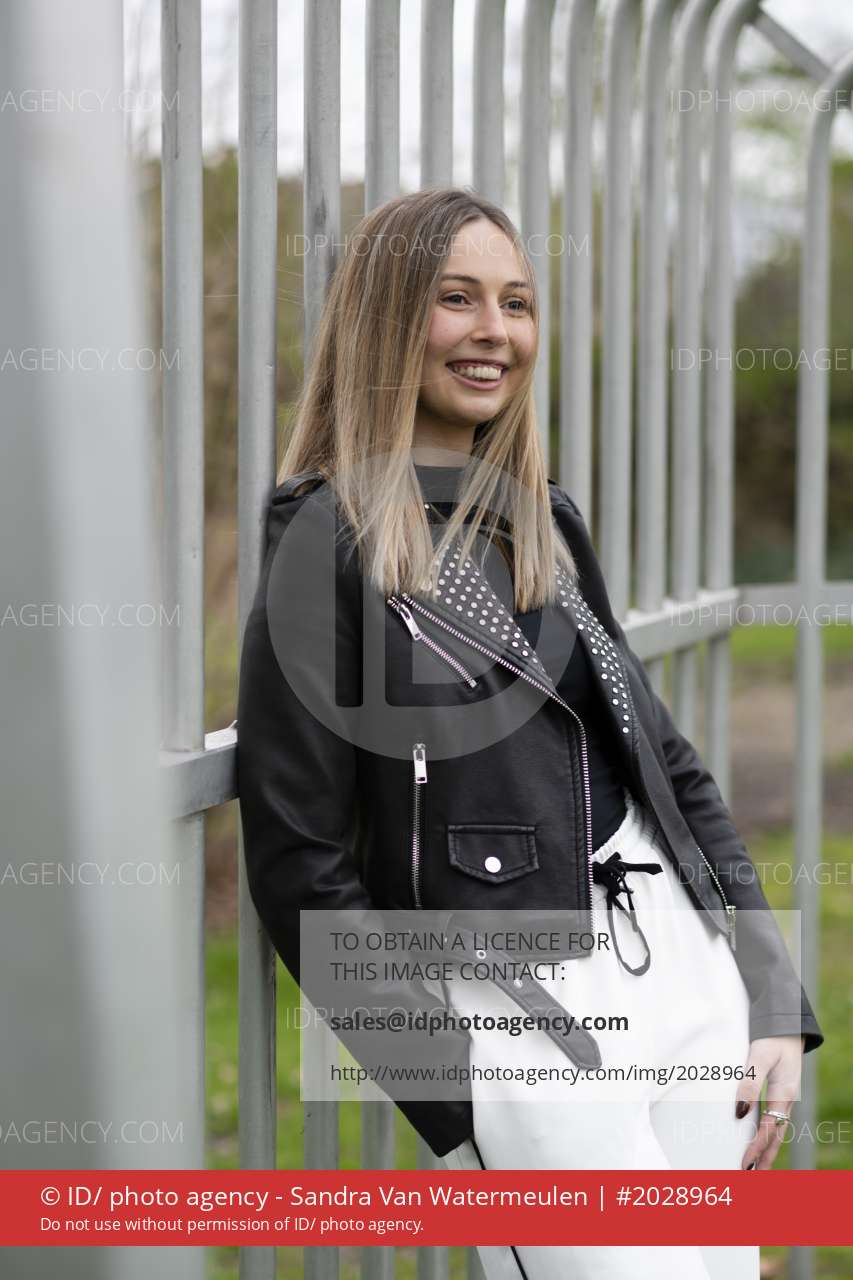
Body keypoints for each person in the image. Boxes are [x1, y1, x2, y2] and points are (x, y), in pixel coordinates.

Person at [236, 187, 823, 1280]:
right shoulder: (327, 543)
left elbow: (664, 763)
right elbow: (298, 861)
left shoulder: (542, 518)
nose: (494, 330)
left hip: (678, 963)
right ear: (385, 318)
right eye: (455, 298)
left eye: (515, 302)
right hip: (518, 1009)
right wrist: (452, 1094)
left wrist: (767, 990)